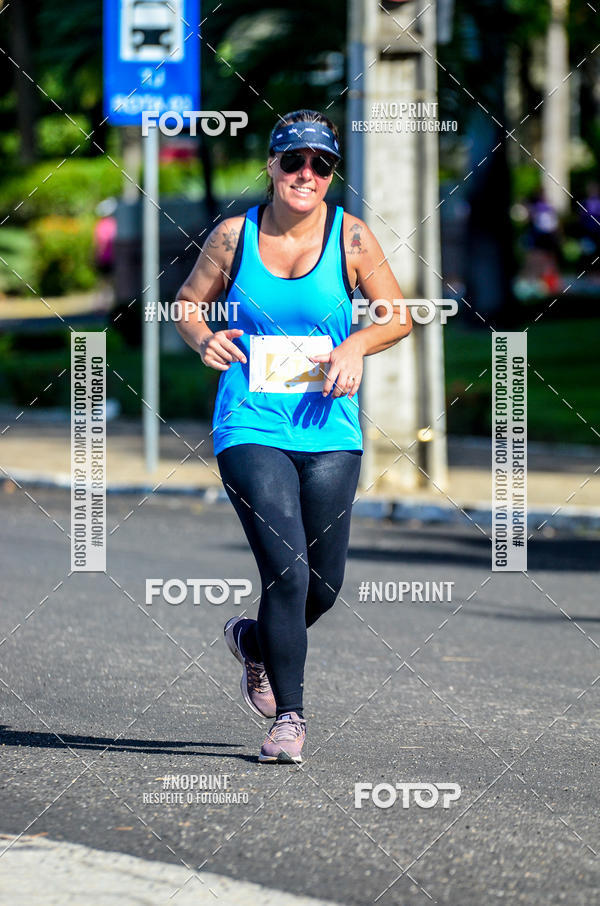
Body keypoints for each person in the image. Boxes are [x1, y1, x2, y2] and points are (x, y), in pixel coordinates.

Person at [175, 109, 411, 764]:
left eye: (320, 164)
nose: (305, 174)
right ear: (272, 166)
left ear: (331, 174)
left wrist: (359, 343)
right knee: (287, 569)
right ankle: (290, 719)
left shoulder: (351, 238)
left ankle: (254, 643)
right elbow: (188, 304)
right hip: (250, 422)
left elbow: (397, 315)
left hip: (330, 426)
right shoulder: (233, 237)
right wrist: (204, 338)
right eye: (293, 161)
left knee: (323, 586)